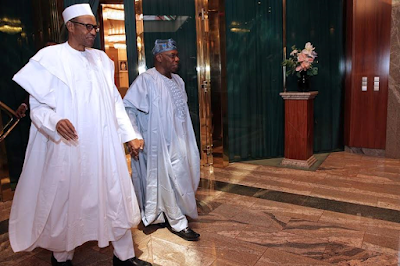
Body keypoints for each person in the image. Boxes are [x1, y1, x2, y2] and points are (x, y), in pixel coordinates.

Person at [10, 4, 151, 266]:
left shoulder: (101, 60)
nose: (93, 32)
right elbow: (38, 108)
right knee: (66, 202)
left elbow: (114, 103)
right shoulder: (50, 58)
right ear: (70, 27)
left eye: (95, 27)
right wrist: (54, 121)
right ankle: (62, 258)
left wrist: (129, 134)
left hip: (103, 148)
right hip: (70, 147)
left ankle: (125, 257)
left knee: (113, 197)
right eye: (87, 26)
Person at [123, 39, 201, 241]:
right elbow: (128, 107)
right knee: (168, 178)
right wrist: (134, 136)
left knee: (181, 176)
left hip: (180, 140)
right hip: (158, 143)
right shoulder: (146, 80)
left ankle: (168, 213)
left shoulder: (178, 80)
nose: (177, 59)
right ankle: (177, 222)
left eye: (176, 55)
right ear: (158, 57)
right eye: (172, 55)